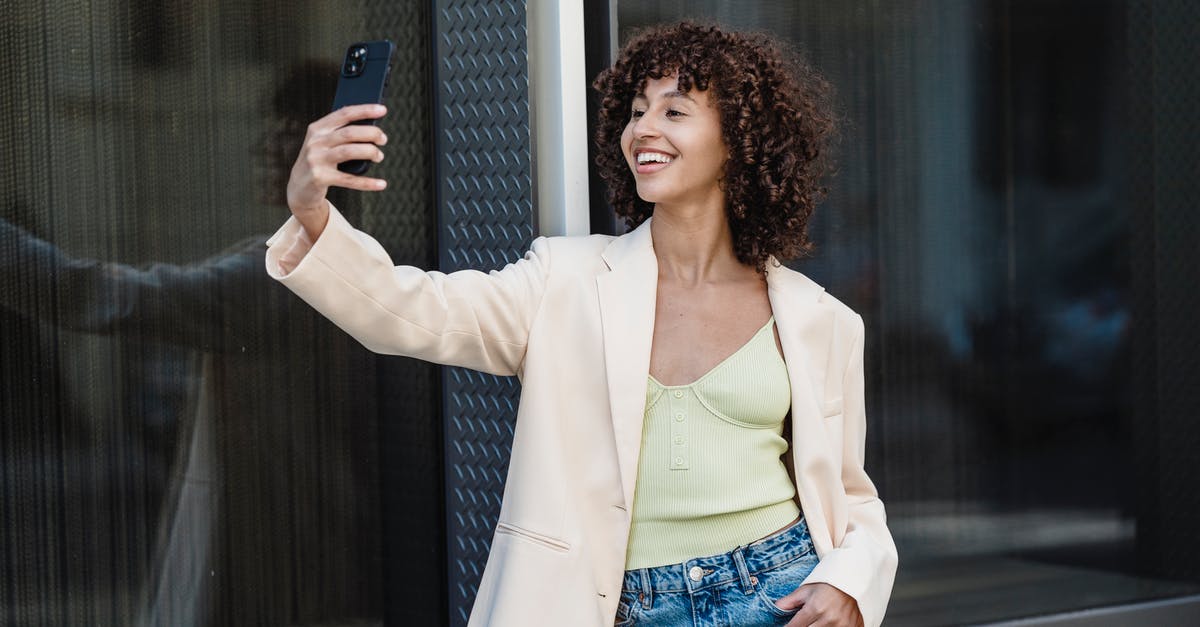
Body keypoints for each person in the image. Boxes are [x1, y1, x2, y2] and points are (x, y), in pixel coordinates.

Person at [268, 21, 896, 627]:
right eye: (636, 110)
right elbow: (407, 312)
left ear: (738, 140)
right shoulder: (562, 281)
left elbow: (852, 498)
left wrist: (849, 582)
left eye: (674, 111)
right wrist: (310, 210)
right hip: (618, 604)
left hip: (778, 593)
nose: (643, 128)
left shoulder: (822, 320)